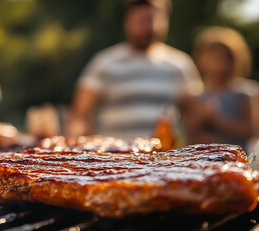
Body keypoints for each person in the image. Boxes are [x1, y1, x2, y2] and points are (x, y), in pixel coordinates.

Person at [66, 0, 202, 139]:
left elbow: (196, 115)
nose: (148, 27)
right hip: (115, 157)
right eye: (141, 21)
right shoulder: (103, 63)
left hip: (164, 157)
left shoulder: (181, 65)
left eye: (152, 20)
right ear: (127, 21)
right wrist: (77, 145)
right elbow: (80, 116)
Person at [186, 27, 255, 149]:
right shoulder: (196, 95)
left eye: (223, 59)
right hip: (206, 161)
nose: (218, 65)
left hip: (238, 160)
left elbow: (250, 131)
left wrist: (215, 118)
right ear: (201, 60)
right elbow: (190, 135)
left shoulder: (244, 93)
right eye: (213, 59)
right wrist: (201, 116)